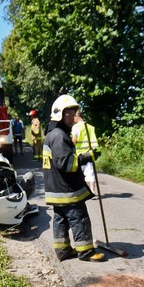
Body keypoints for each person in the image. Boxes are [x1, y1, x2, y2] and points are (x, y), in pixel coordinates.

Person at [43, 95, 105, 262]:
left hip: (55, 190)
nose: (72, 117)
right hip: (67, 190)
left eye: (73, 113)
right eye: (68, 114)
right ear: (59, 115)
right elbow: (66, 164)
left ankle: (63, 251)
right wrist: (87, 157)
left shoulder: (51, 134)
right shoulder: (59, 136)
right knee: (79, 218)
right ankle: (86, 252)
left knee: (60, 220)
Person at [71, 109, 99, 196]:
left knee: (81, 175)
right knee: (90, 173)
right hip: (90, 153)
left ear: (77, 116)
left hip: (80, 155)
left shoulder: (76, 127)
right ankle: (93, 191)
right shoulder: (90, 127)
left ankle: (85, 192)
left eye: (73, 117)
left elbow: (74, 140)